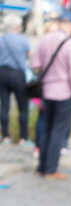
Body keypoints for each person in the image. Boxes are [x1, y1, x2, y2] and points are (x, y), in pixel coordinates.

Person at [31, 18, 71, 180]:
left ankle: (41, 166)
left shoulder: (45, 39)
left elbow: (34, 64)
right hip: (65, 92)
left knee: (47, 128)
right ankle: (51, 169)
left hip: (47, 90)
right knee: (58, 130)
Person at [0, 15, 29, 145]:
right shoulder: (23, 40)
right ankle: (23, 138)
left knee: (4, 106)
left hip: (2, 73)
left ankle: (6, 136)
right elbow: (28, 55)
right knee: (23, 107)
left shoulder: (1, 39)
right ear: (18, 26)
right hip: (18, 74)